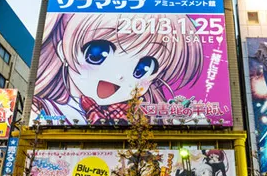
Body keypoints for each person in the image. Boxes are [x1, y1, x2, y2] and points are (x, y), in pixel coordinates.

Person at [31, 11, 204, 126]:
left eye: (143, 68)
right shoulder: (42, 112)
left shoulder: (145, 119)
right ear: (63, 51)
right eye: (97, 54)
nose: (120, 76)